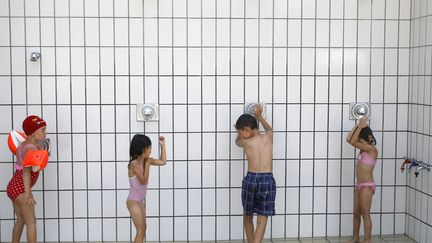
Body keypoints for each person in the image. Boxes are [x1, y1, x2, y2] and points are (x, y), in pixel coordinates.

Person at [235, 104, 276, 243]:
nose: (239, 135)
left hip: (251, 179)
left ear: (247, 129)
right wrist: (259, 116)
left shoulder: (245, 142)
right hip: (267, 180)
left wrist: (241, 137)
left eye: (240, 131)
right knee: (262, 219)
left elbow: (237, 142)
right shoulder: (268, 138)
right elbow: (269, 129)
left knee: (247, 216)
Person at [6, 115, 47, 243]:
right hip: (21, 188)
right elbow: (26, 172)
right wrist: (28, 193)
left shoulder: (23, 145)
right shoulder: (30, 149)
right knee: (31, 222)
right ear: (33, 133)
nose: (45, 133)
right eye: (43, 130)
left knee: (21, 220)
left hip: (13, 186)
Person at [127, 134, 166, 243]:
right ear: (144, 149)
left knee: (143, 229)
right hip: (133, 201)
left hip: (140, 201)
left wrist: (163, 145)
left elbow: (163, 162)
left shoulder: (145, 161)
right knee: (140, 230)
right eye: (150, 148)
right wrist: (148, 163)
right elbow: (143, 180)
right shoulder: (133, 165)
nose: (150, 151)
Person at [346, 118, 378, 243]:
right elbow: (349, 139)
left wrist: (360, 127)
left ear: (369, 138)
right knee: (356, 213)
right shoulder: (363, 150)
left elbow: (352, 141)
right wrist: (357, 125)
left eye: (361, 140)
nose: (358, 142)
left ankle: (367, 240)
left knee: (365, 213)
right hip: (359, 185)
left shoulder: (372, 150)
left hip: (367, 186)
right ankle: (355, 238)